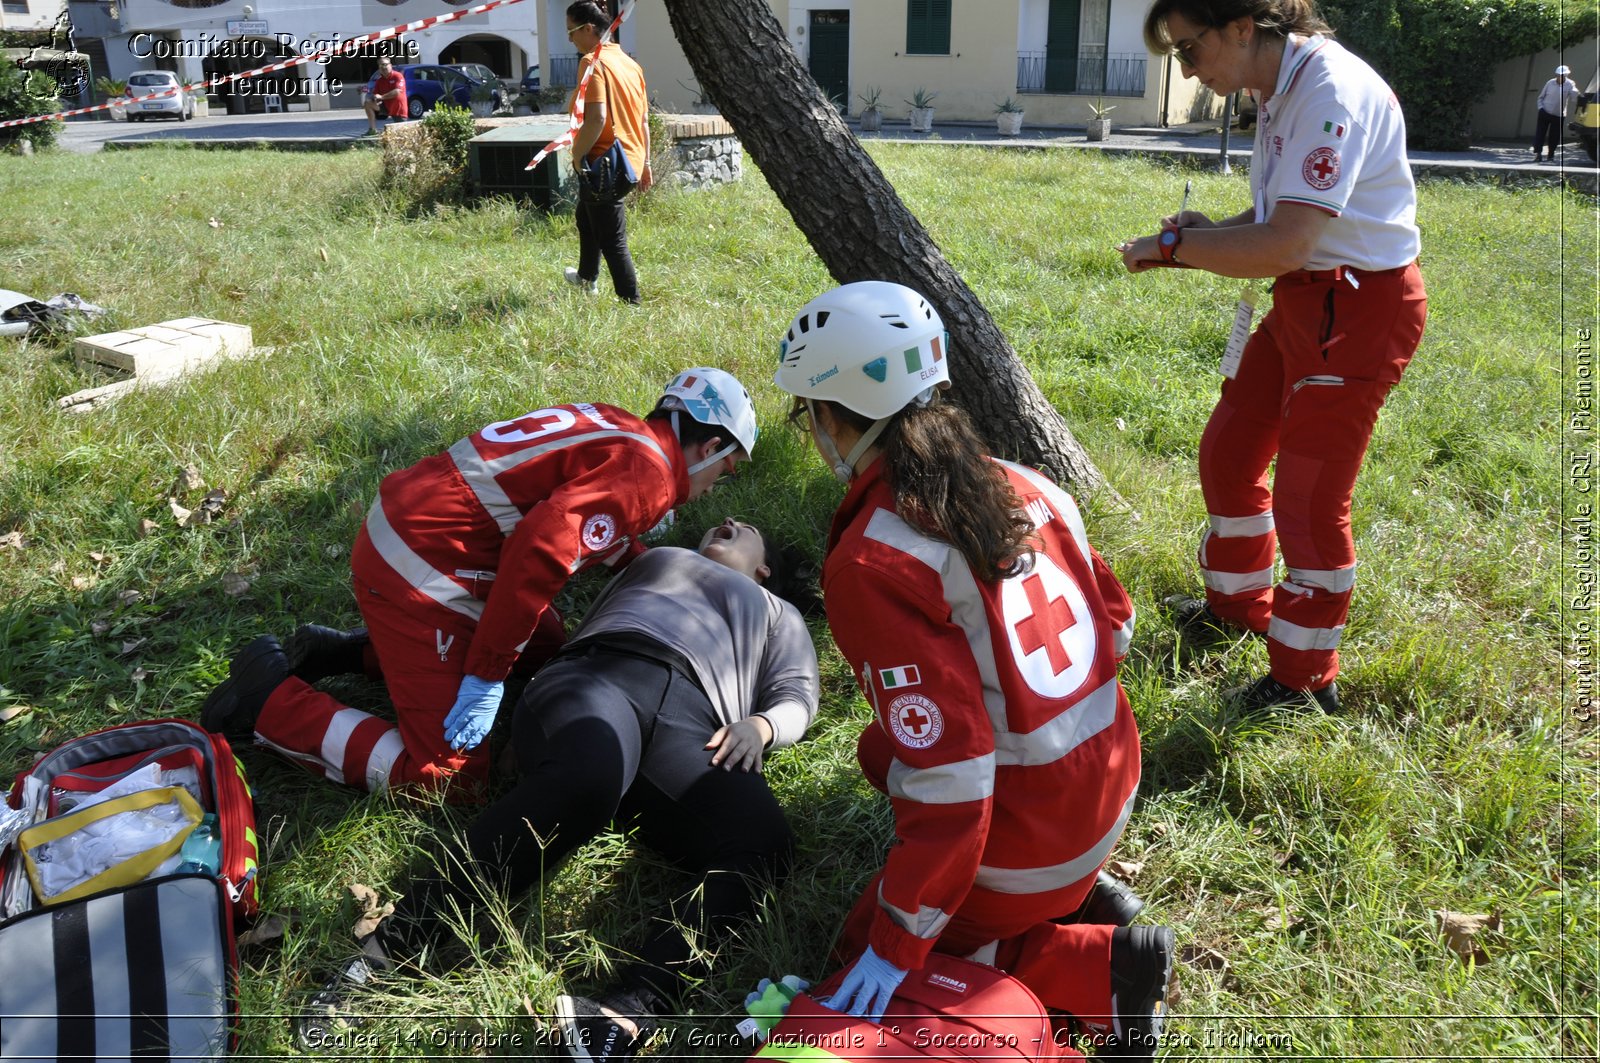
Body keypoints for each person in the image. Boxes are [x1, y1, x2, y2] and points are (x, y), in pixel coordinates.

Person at [772, 281, 1174, 1060]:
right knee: (878, 754)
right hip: (1111, 788)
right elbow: (1115, 625)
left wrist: (895, 939)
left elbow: (953, 778)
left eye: (807, 412)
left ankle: (1098, 968)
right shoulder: (1025, 482)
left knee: (867, 957)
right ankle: (1080, 895)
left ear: (832, 415)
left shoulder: (873, 559)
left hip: (1032, 842)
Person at [300, 519, 820, 1063]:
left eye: (751, 529)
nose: (731, 522)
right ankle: (389, 948)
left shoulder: (776, 612)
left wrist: (760, 727)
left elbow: (797, 698)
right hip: (600, 675)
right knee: (588, 780)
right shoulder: (660, 558)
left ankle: (623, 1014)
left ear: (765, 569)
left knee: (766, 843)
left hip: (699, 724)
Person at [200, 368, 759, 803]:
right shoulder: (653, 477)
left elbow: (577, 516)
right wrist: (486, 672)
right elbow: (544, 545)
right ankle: (269, 699)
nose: (717, 488)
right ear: (711, 449)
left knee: (543, 646)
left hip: (426, 532)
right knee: (446, 779)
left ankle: (356, 652)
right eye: (727, 471)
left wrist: (640, 562)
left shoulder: (624, 429)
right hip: (423, 566)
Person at [1122, 0, 1428, 715]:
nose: (1188, 68)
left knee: (1311, 500)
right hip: (1304, 299)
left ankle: (1305, 678)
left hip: (1358, 308)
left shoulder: (1329, 93)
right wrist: (1204, 236)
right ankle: (1236, 606)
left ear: (1240, 27)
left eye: (1189, 51)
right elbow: (1277, 223)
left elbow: (1287, 241)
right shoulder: (1280, 89)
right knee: (1229, 453)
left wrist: (1174, 248)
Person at [562, 1, 652, 305]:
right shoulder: (630, 63)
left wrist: (577, 155)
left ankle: (632, 303)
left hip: (605, 165)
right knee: (586, 217)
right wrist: (647, 164)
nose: (570, 40)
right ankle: (586, 278)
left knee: (613, 238)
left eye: (571, 32)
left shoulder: (592, 62)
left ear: (588, 29)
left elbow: (596, 118)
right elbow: (642, 121)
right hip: (631, 162)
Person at [1534, 64, 1579, 161]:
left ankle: (1551, 155)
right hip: (1545, 112)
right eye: (1558, 75)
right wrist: (1541, 108)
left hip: (1559, 115)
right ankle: (1538, 154)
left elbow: (1573, 98)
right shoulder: (1550, 83)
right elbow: (1541, 97)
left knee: (1554, 136)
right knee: (1540, 133)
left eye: (1562, 75)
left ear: (1566, 76)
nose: (1559, 77)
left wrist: (1575, 92)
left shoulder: (1570, 84)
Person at [363, 56, 408, 136]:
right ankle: (372, 130)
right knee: (368, 103)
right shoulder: (379, 80)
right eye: (380, 65)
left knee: (402, 135)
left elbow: (397, 92)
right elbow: (375, 94)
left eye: (385, 64)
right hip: (386, 108)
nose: (383, 67)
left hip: (399, 110)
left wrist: (382, 97)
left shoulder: (397, 76)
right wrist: (374, 97)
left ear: (390, 65)